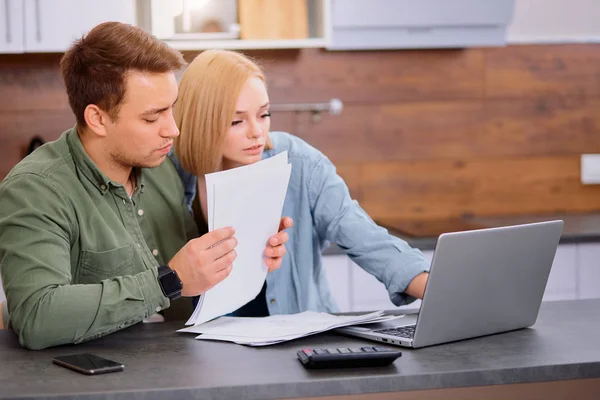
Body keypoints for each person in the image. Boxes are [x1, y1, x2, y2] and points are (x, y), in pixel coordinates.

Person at [0, 23, 289, 350]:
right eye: (153, 118)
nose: (173, 130)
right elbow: (37, 318)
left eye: (172, 109)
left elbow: (192, 275)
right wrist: (169, 282)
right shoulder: (35, 190)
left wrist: (247, 247)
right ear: (97, 119)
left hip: (179, 364)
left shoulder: (161, 167)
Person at [171, 50, 430, 317]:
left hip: (295, 338)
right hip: (204, 346)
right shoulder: (167, 174)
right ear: (200, 122)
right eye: (236, 121)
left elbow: (359, 232)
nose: (257, 132)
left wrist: (432, 288)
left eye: (263, 114)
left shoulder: (299, 161)